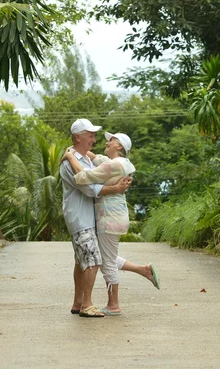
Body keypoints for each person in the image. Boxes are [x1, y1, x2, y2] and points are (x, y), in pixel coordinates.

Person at [63, 128, 161, 316]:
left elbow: (83, 177)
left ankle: (113, 305)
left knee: (106, 262)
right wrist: (76, 150)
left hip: (109, 219)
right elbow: (96, 158)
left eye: (111, 140)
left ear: (119, 146)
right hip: (114, 217)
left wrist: (70, 157)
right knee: (103, 256)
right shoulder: (118, 162)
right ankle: (144, 270)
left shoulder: (113, 165)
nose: (106, 142)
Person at [60, 119, 131, 318]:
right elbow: (88, 188)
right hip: (80, 216)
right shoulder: (70, 162)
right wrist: (115, 189)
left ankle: (78, 302)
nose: (94, 138)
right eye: (90, 134)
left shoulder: (85, 160)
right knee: (92, 261)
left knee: (81, 261)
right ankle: (87, 305)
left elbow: (99, 164)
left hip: (89, 217)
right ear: (78, 137)